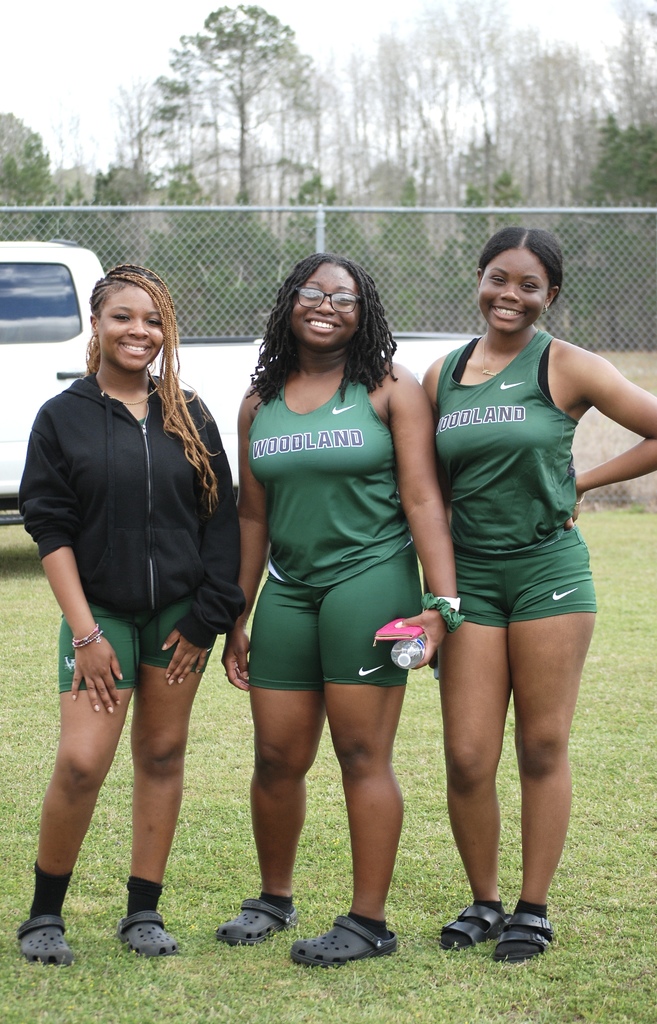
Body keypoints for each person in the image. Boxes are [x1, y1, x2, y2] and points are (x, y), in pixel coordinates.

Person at [216, 252, 462, 966]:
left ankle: (367, 921)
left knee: (361, 753)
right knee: (275, 756)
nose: (327, 306)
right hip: (290, 590)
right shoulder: (257, 403)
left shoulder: (389, 389)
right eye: (313, 292)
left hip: (371, 582)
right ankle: (273, 897)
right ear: (288, 301)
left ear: (364, 312)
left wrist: (439, 603)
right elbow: (252, 517)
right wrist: (239, 609)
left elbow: (422, 498)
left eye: (345, 298)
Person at [423, 226, 657, 963]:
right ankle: (483, 900)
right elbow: (422, 486)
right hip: (470, 584)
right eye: (499, 278)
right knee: (465, 755)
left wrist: (579, 482)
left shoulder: (567, 365)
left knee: (542, 742)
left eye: (528, 285)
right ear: (480, 279)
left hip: (547, 573)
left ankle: (531, 907)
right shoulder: (440, 376)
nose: (510, 295)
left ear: (549, 295)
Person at [17, 264, 244, 965]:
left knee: (162, 754)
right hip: (101, 616)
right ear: (97, 323)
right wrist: (84, 633)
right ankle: (43, 916)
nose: (138, 331)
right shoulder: (62, 417)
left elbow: (221, 519)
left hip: (178, 620)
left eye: (152, 320)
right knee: (83, 762)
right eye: (123, 316)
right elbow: (48, 528)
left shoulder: (191, 413)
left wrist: (208, 617)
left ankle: (142, 912)